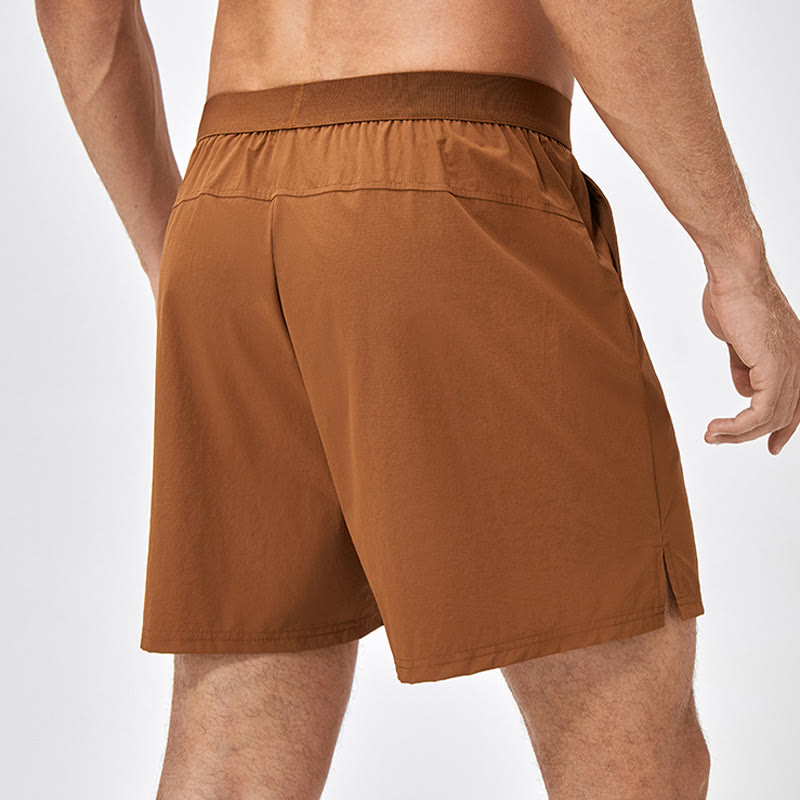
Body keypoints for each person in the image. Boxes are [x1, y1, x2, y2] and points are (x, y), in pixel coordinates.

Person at [36, 0, 799, 797]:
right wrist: (736, 258)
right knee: (635, 758)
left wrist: (172, 251)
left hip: (224, 205)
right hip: (449, 175)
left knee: (234, 756)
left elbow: (73, 13)